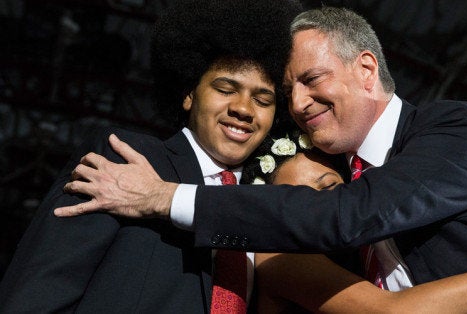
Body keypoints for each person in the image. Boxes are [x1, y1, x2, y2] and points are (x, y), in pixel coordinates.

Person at [56, 6, 467, 312]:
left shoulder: (454, 128)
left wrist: (166, 197)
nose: (296, 105)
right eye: (288, 90)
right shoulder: (337, 189)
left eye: (311, 80)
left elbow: (350, 216)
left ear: (365, 69)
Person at [0, 0, 301, 312]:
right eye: (226, 89)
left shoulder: (269, 204)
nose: (243, 109)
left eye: (263, 99)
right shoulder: (125, 158)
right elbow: (38, 293)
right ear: (189, 95)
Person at [241, 131, 467, 313]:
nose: (317, 208)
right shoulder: (278, 259)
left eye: (329, 188)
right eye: (298, 201)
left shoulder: (369, 253)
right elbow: (390, 312)